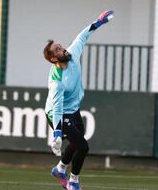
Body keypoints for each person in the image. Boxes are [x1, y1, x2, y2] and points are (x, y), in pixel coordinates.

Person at [43, 10, 114, 190]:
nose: (63, 49)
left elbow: (82, 36)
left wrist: (98, 22)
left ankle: (60, 169)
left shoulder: (72, 54)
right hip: (57, 114)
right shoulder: (56, 82)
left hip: (73, 109)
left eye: (61, 46)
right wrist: (57, 133)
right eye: (58, 49)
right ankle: (73, 181)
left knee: (76, 143)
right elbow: (57, 108)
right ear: (53, 58)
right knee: (83, 147)